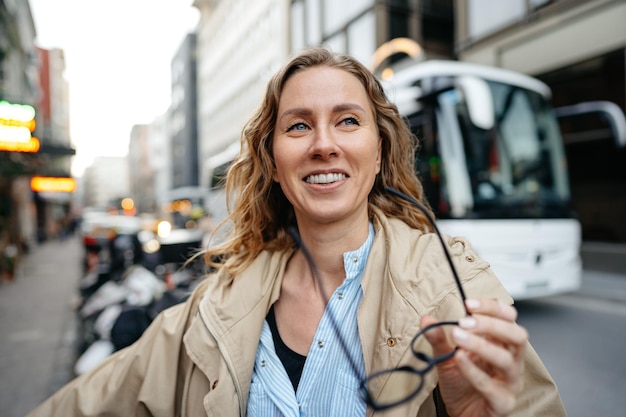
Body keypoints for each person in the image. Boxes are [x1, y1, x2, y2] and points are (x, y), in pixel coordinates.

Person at [27, 47, 567, 417]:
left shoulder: (457, 287)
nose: (323, 144)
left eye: (349, 121)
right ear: (275, 162)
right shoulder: (215, 305)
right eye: (299, 125)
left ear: (379, 152)